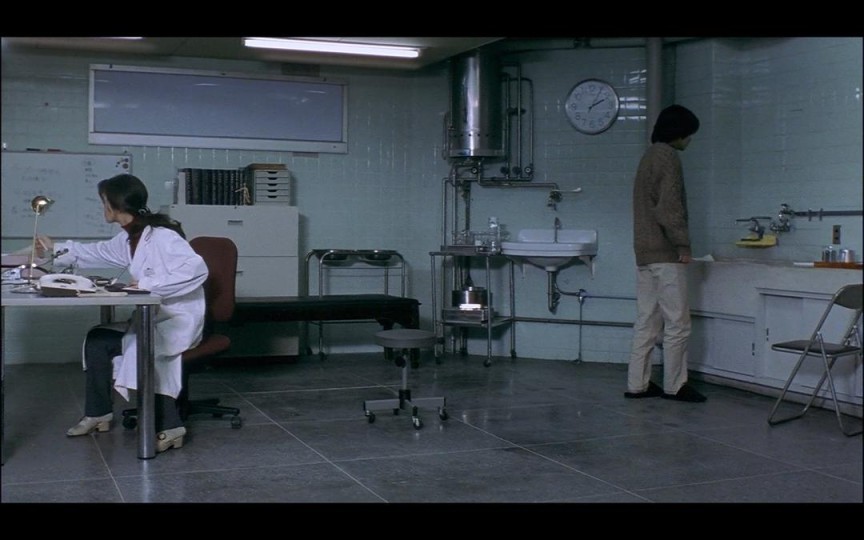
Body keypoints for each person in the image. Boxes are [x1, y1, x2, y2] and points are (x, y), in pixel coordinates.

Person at [35, 174, 209, 452]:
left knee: (144, 349)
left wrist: (147, 284)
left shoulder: (163, 237)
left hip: (178, 321)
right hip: (153, 318)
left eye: (103, 202)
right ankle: (98, 413)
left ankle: (171, 426)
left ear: (114, 204)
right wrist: (54, 249)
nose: (102, 207)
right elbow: (96, 252)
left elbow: (197, 270)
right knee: (97, 340)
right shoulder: (130, 238)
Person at [626, 104, 706, 403]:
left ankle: (637, 384)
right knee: (677, 323)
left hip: (644, 253)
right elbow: (670, 208)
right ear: (679, 133)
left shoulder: (648, 157)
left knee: (646, 321)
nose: (690, 140)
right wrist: (683, 244)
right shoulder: (668, 157)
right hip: (665, 253)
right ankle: (675, 385)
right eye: (689, 134)